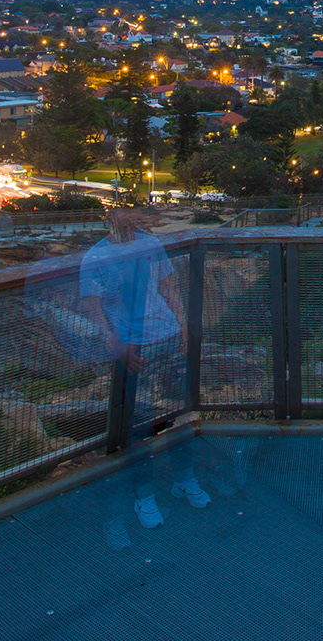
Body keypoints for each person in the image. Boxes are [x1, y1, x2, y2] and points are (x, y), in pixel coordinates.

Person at [79, 205, 209, 547]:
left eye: (132, 214)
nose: (129, 220)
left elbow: (169, 287)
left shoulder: (151, 244)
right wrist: (117, 345)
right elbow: (93, 309)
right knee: (138, 427)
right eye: (122, 215)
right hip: (133, 349)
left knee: (180, 415)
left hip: (166, 336)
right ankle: (145, 495)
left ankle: (184, 478)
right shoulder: (95, 257)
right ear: (110, 219)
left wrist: (183, 326)